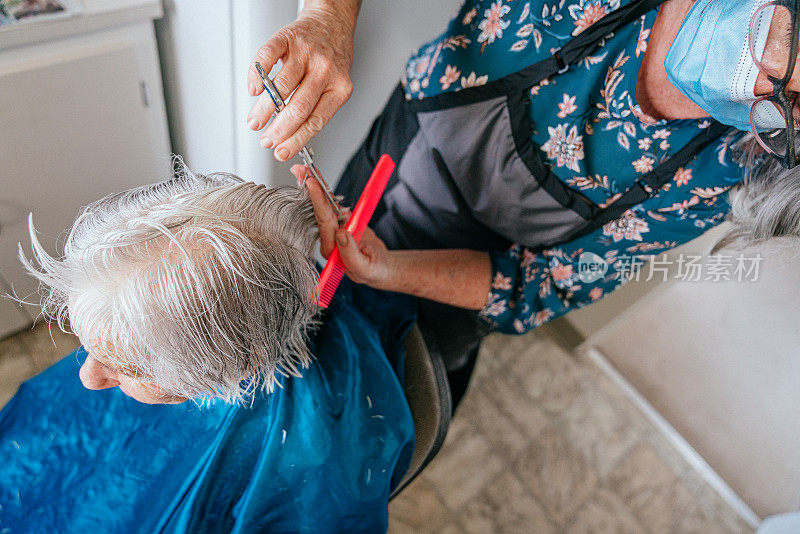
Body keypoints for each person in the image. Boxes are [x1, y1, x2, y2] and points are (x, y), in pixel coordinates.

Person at [246, 0, 800, 404]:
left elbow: (546, 283)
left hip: (456, 292)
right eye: (791, 52)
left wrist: (392, 269)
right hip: (399, 161)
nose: (760, 89)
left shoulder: (740, 165)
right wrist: (327, 17)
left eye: (791, 110)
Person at [2, 162, 415, 532]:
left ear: (236, 364)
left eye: (127, 368)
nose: (86, 378)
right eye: (88, 344)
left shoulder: (316, 465)